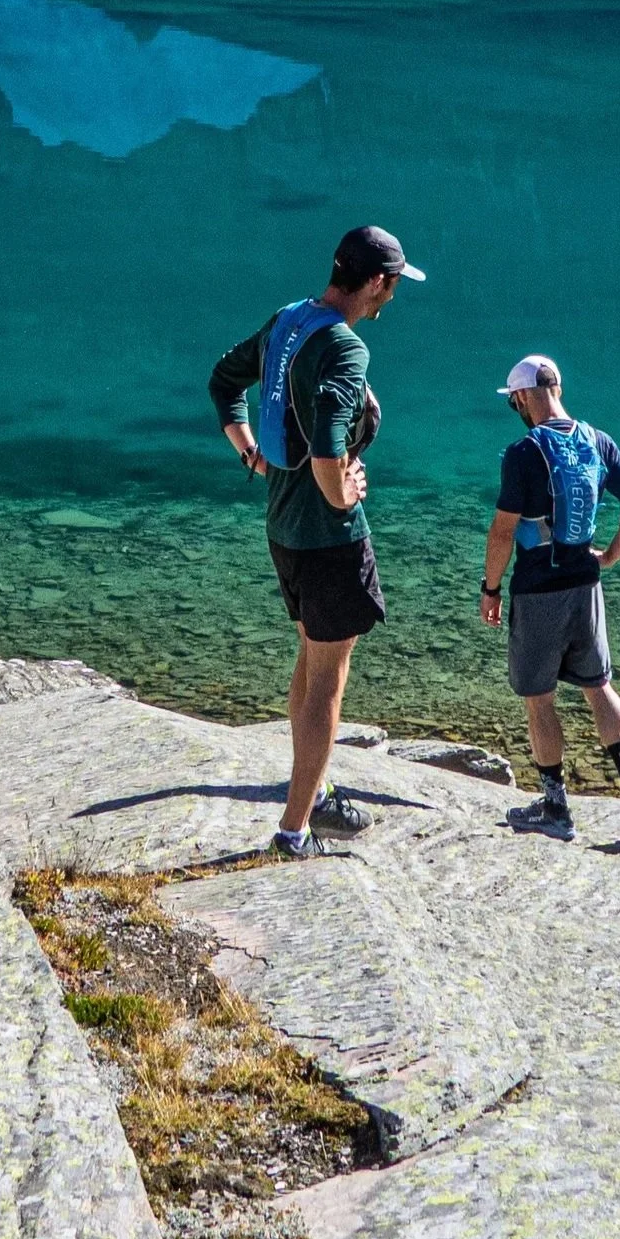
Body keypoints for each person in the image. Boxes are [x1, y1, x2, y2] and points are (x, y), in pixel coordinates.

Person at [209, 224, 421, 859]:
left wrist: (250, 453)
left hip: (284, 531)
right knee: (329, 679)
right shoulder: (346, 348)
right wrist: (343, 495)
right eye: (394, 286)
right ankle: (295, 829)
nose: (392, 298)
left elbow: (225, 379)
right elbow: (330, 446)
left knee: (309, 661)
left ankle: (314, 788)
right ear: (377, 283)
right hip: (330, 542)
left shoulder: (290, 319)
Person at [478, 355, 620, 843]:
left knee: (540, 700)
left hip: (538, 592)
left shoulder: (523, 452)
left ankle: (556, 809)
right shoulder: (597, 440)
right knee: (599, 686)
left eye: (512, 400)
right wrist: (611, 557)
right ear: (557, 387)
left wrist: (490, 588)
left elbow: (502, 532)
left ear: (520, 397)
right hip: (586, 585)